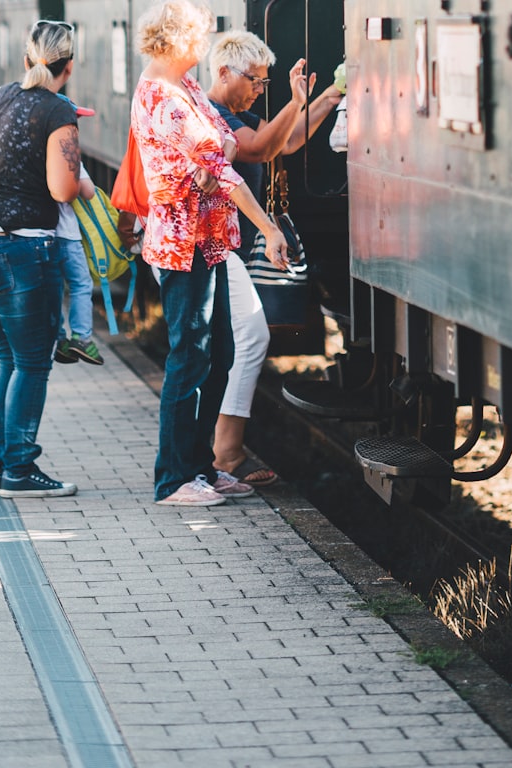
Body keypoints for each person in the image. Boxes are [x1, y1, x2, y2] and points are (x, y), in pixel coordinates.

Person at [132, 0, 288, 506]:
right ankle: (174, 479)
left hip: (211, 238)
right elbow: (220, 164)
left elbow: (223, 141)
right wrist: (266, 227)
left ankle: (202, 467)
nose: (203, 46)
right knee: (189, 357)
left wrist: (209, 160)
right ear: (178, 41)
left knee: (219, 351)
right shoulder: (164, 97)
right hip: (182, 245)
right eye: (198, 37)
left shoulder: (189, 87)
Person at [204, 31, 343, 488]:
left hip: (235, 247)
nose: (260, 90)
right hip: (220, 245)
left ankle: (223, 447)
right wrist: (296, 100)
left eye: (265, 83)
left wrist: (327, 96)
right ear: (223, 72)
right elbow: (262, 147)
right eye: (256, 81)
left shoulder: (240, 112)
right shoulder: (217, 115)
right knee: (245, 339)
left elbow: (285, 142)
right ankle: (223, 450)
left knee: (239, 341)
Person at [0, 19, 81, 498]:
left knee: (7, 358)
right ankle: (20, 471)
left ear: (27, 59)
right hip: (25, 251)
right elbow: (61, 188)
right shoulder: (57, 111)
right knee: (32, 363)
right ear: (69, 65)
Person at [52, 152, 105, 367]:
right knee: (81, 284)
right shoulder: (65, 154)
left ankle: (57, 337)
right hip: (67, 236)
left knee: (53, 286)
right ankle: (81, 338)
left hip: (42, 236)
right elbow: (88, 192)